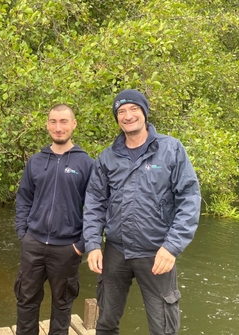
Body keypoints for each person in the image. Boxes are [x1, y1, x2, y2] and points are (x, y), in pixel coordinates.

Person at [83, 89, 201, 335]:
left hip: (157, 252)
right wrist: (93, 244)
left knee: (163, 328)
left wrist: (172, 247)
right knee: (105, 323)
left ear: (145, 113)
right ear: (117, 118)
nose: (128, 116)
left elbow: (189, 199)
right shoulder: (107, 157)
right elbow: (95, 201)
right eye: (121, 111)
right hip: (116, 250)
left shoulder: (171, 149)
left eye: (134, 109)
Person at [14, 104, 95, 335]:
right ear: (47, 124)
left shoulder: (86, 164)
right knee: (26, 300)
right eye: (53, 122)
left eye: (63, 122)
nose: (58, 128)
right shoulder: (36, 161)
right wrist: (24, 234)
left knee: (62, 304)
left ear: (73, 124)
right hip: (34, 244)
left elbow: (96, 208)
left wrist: (81, 245)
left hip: (67, 248)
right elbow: (23, 200)